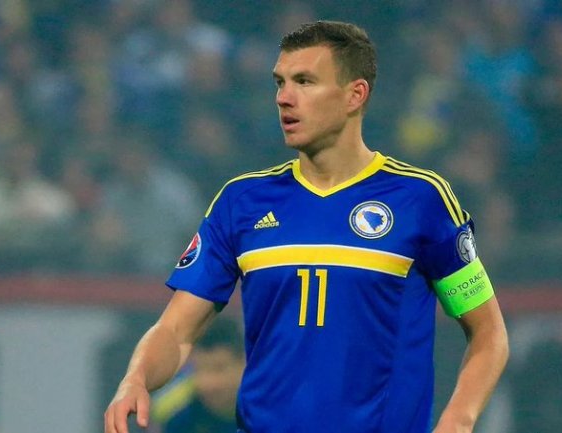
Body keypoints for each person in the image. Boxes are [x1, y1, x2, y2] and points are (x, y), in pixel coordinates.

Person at [104, 20, 509, 433]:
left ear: (355, 95)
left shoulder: (421, 200)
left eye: (304, 82)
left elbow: (488, 333)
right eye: (280, 83)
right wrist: (135, 378)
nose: (284, 98)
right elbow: (176, 331)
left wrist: (458, 420)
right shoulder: (241, 203)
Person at [147, 316, 245, 433]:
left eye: (219, 369)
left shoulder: (264, 401)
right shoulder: (169, 410)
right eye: (200, 369)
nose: (209, 383)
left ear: (244, 363)